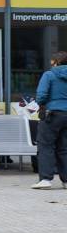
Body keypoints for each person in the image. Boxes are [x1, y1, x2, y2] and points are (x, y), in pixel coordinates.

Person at [33, 50, 67, 189]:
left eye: (51, 61)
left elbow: (41, 95)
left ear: (56, 62)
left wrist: (41, 104)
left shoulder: (49, 74)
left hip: (52, 114)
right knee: (64, 148)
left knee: (46, 146)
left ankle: (46, 179)